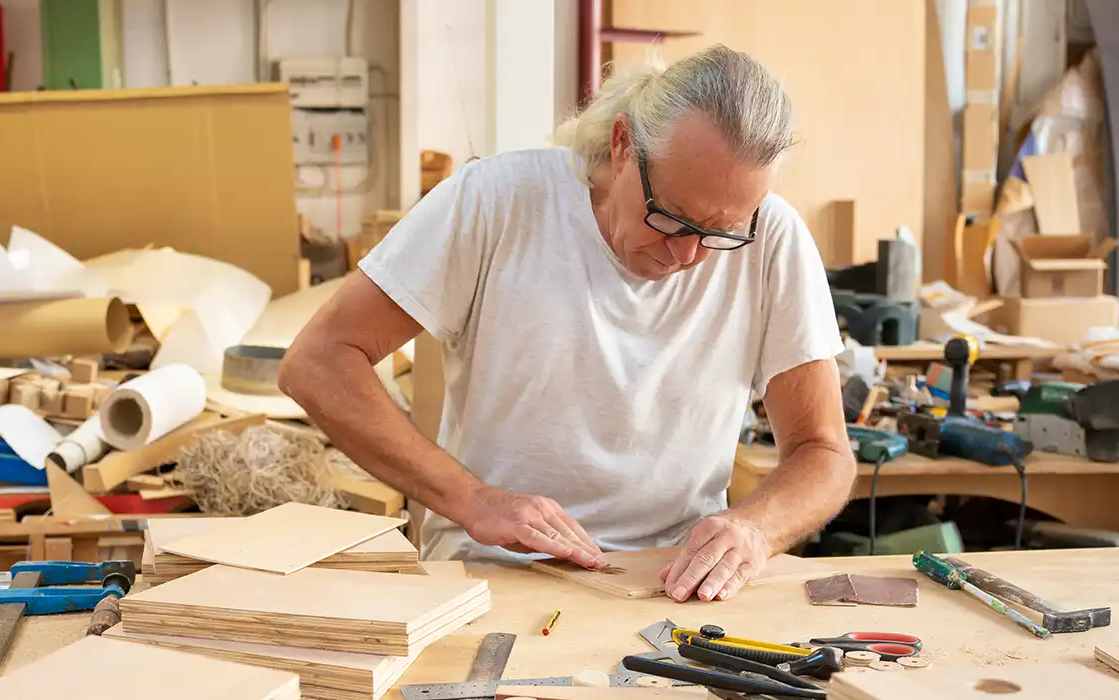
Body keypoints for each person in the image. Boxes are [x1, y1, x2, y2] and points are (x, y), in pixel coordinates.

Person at [280, 45, 857, 603]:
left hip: (675, 584)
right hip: (494, 574)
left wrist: (757, 529)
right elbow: (321, 362)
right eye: (672, 219)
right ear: (624, 143)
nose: (688, 257)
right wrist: (472, 498)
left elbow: (823, 453)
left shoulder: (772, 239)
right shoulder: (498, 202)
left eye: (720, 233)